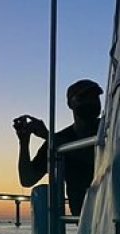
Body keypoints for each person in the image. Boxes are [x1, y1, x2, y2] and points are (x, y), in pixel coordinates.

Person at [13, 79, 102, 216]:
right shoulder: (57, 140)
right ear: (70, 104)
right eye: (83, 97)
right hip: (84, 220)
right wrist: (24, 143)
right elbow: (27, 179)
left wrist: (48, 136)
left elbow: (99, 160)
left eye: (94, 97)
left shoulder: (113, 130)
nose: (90, 101)